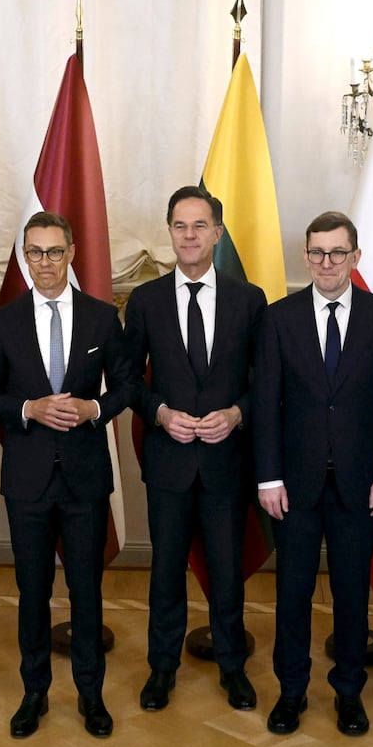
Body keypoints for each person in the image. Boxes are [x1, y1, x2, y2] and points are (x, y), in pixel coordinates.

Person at [0, 211, 137, 738]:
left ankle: (91, 695)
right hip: (27, 480)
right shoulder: (5, 321)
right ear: (25, 258)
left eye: (54, 251)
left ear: (72, 255)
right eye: (35, 252)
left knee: (87, 591)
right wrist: (28, 409)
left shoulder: (99, 317)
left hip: (86, 479)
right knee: (32, 591)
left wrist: (95, 410)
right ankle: (35, 693)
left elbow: (126, 386)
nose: (45, 262)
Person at [253, 211, 373, 736]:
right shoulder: (278, 318)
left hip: (361, 486)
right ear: (305, 257)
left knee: (350, 592)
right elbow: (266, 403)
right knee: (292, 593)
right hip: (292, 487)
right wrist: (267, 477)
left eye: (337, 253)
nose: (326, 262)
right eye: (317, 252)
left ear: (355, 257)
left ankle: (348, 693)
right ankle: (291, 692)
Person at [123, 185, 266, 713]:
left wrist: (237, 414)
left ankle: (233, 667)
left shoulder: (248, 300)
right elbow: (127, 378)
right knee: (165, 573)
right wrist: (159, 412)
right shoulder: (146, 300)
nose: (189, 235)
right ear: (169, 232)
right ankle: (162, 668)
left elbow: (266, 381)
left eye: (200, 225)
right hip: (169, 462)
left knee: (228, 573)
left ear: (217, 233)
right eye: (180, 226)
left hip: (228, 462)